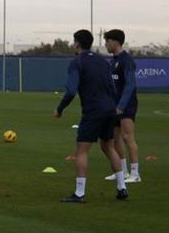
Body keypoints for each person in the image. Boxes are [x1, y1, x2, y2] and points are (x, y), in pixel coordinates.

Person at [54, 29, 128, 203]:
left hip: (93, 110)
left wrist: (60, 108)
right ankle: (122, 188)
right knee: (108, 147)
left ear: (77, 44)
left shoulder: (77, 62)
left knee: (81, 150)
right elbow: (113, 88)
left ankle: (80, 193)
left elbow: (71, 90)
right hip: (110, 108)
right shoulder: (103, 61)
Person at [104, 29, 141, 183]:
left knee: (127, 137)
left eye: (107, 41)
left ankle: (135, 174)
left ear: (115, 42)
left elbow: (130, 85)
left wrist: (121, 105)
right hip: (114, 105)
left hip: (127, 104)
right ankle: (123, 171)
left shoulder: (127, 60)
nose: (105, 44)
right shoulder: (112, 61)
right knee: (115, 139)